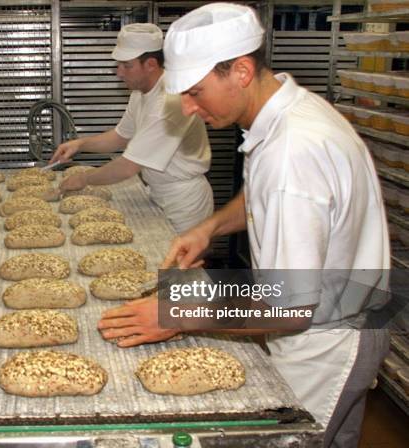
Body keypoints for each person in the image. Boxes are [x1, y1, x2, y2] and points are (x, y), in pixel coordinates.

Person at [97, 4, 390, 447]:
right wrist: (211, 227)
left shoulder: (293, 152)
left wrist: (178, 315)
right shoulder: (290, 114)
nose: (190, 110)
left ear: (241, 71)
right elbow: (262, 197)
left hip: (327, 341)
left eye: (195, 93)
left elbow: (293, 306)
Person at [50, 23, 214, 234]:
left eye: (126, 66)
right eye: (119, 65)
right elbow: (120, 137)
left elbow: (128, 167)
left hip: (184, 203)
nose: (119, 73)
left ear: (151, 64)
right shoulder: (140, 93)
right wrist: (80, 144)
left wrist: (84, 179)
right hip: (156, 191)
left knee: (177, 266)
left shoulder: (169, 102)